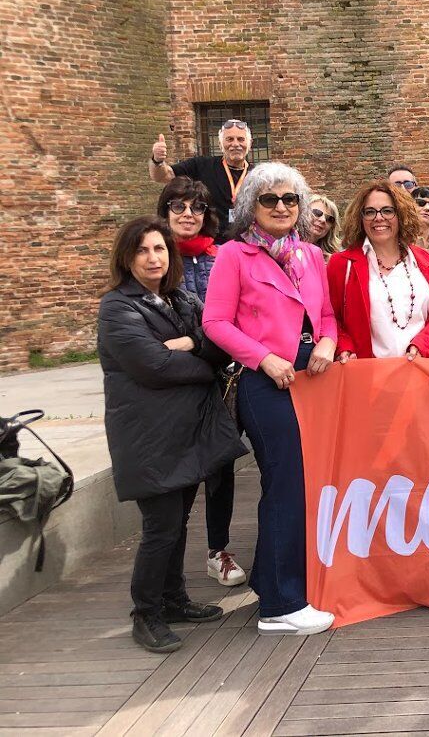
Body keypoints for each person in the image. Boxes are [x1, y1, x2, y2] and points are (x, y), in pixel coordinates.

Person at [202, 162, 340, 635]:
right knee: (285, 483)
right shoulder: (234, 255)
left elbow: (325, 314)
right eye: (270, 200)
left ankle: (273, 580)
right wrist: (264, 359)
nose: (281, 207)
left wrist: (326, 342)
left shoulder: (310, 255)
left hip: (312, 378)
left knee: (306, 481)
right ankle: (280, 604)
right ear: (250, 207)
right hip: (265, 382)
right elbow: (215, 323)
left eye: (290, 199)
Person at [98, 216, 246, 653]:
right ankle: (145, 612)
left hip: (184, 432)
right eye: (143, 250)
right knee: (160, 527)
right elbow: (153, 366)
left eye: (160, 248)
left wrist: (188, 345)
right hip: (147, 436)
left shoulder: (180, 298)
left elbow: (219, 340)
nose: (153, 257)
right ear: (127, 258)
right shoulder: (117, 307)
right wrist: (205, 359)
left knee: (178, 523)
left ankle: (174, 599)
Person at [155, 178, 246, 588]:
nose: (187, 214)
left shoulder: (224, 257)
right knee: (178, 477)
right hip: (175, 384)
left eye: (195, 207)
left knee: (220, 466)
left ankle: (218, 549)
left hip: (225, 378)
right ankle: (166, 572)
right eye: (178, 206)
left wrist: (196, 340)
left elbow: (234, 319)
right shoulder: (155, 259)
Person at [327, 181, 429, 361]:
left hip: (418, 371)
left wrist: (422, 346)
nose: (378, 218)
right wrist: (344, 347)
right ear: (360, 218)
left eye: (388, 211)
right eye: (370, 212)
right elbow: (330, 317)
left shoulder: (427, 263)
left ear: (401, 215)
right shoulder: (342, 264)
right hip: (365, 376)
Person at [149, 120, 254, 235]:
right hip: (210, 244)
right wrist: (157, 161)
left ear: (249, 144)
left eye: (241, 139)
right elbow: (163, 176)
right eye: (229, 139)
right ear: (220, 144)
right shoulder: (201, 165)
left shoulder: (258, 174)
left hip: (246, 242)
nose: (235, 144)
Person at [308, 194, 343, 261]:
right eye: (317, 213)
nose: (323, 220)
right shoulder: (283, 247)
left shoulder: (332, 260)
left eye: (329, 219)